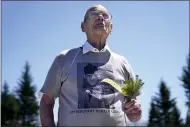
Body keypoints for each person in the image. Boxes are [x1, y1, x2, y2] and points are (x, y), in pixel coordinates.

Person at [39, 5, 142, 126]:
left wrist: (135, 113)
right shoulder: (64, 58)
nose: (100, 18)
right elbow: (46, 102)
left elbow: (134, 113)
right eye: (94, 14)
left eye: (105, 16)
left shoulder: (123, 63)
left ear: (111, 28)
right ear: (83, 27)